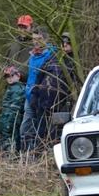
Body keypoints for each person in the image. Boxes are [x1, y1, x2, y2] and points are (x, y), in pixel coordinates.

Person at [20, 25, 64, 153]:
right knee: (25, 128)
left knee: (42, 128)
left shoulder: (52, 54)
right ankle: (26, 156)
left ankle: (40, 154)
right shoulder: (32, 55)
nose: (36, 42)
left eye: (39, 39)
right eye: (34, 39)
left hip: (43, 98)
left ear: (45, 39)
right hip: (29, 95)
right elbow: (31, 76)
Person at [0, 66, 26, 154]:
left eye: (11, 76)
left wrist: (11, 116)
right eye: (7, 77)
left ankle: (10, 155)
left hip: (11, 116)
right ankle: (5, 152)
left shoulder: (20, 88)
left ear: (18, 76)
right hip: (4, 115)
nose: (9, 78)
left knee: (9, 136)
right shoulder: (10, 88)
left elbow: (16, 106)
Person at [5, 14, 34, 80]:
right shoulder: (14, 43)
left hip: (27, 84)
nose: (22, 30)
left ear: (31, 27)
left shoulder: (36, 44)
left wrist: (20, 76)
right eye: (20, 27)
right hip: (11, 82)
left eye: (25, 27)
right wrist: (6, 70)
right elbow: (6, 61)